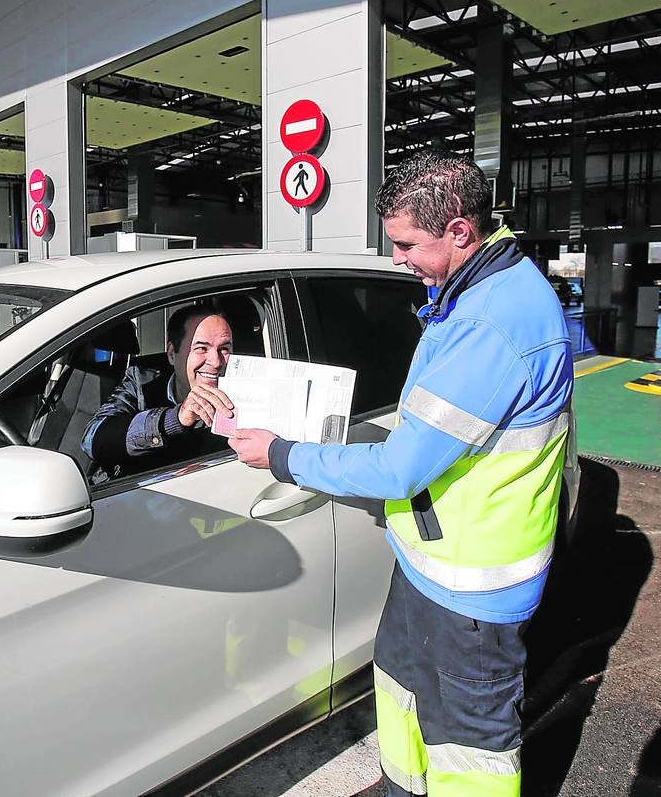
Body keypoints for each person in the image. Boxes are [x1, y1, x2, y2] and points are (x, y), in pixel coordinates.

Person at [230, 149, 573, 797]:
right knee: (403, 692)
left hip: (472, 590)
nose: (397, 260)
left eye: (406, 244)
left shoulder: (493, 323)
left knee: (470, 744)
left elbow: (399, 468)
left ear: (460, 232)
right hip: (430, 563)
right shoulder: (471, 290)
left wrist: (280, 455)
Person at [81, 303, 235, 482]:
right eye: (201, 348)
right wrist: (174, 420)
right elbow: (92, 439)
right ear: (171, 354)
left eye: (224, 349)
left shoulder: (245, 399)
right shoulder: (143, 382)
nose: (216, 362)